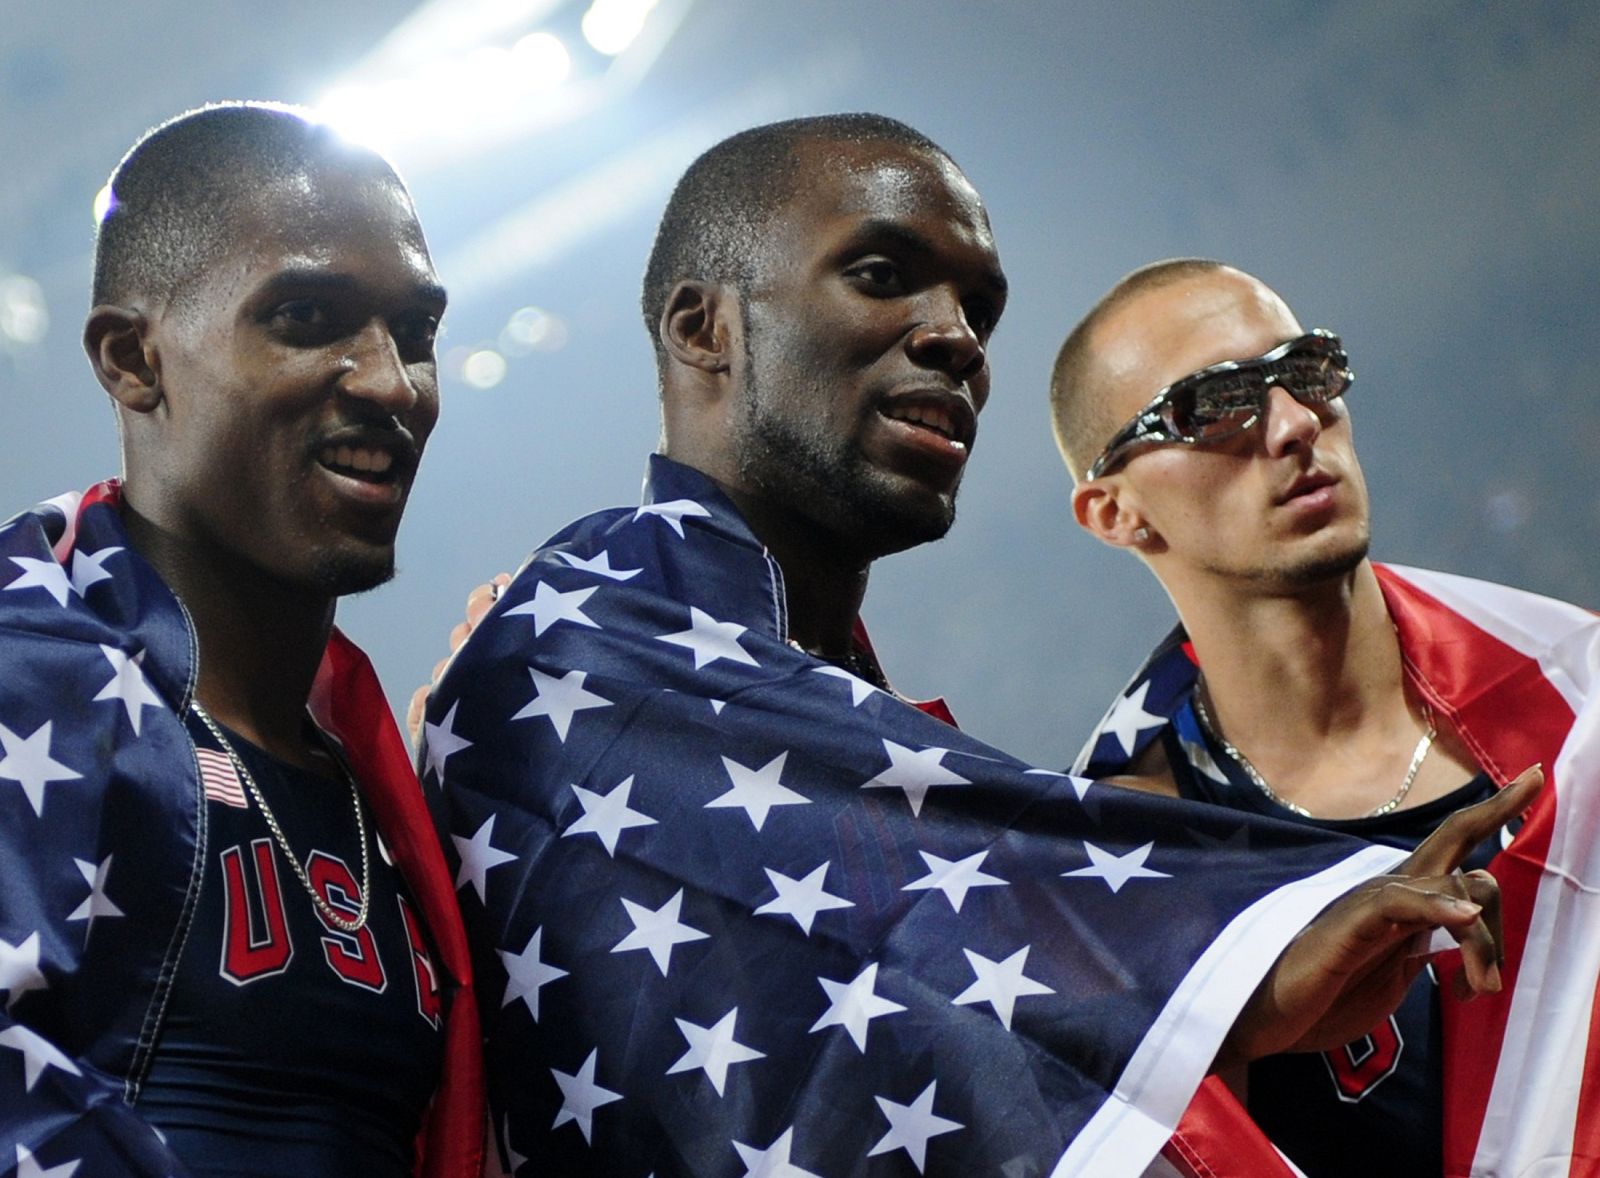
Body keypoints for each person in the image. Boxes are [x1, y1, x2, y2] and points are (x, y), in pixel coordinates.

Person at [421, 116, 1527, 1177]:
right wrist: (1239, 937)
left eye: (978, 307)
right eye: (881, 274)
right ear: (703, 328)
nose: (956, 335)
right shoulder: (579, 634)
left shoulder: (829, 705)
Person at [0, 103, 482, 1176]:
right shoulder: (27, 685)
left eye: (415, 333)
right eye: (309, 316)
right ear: (133, 358)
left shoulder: (405, 805)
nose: (391, 382)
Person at [1055, 259, 1600, 1176]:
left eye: (1305, 372)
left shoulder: (1581, 708)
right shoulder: (1121, 878)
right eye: (1214, 404)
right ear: (1115, 512)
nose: (1297, 422)